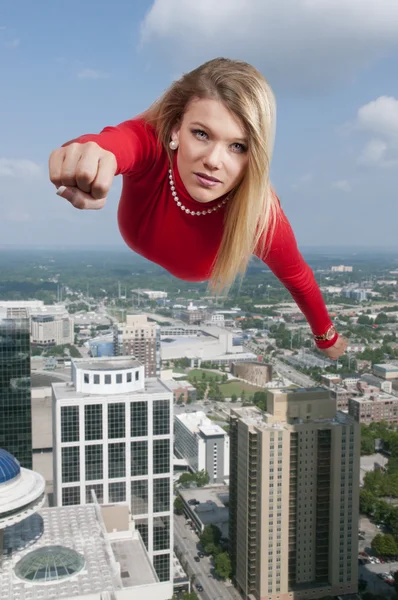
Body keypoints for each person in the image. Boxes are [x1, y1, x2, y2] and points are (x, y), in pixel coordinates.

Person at [49, 57, 347, 359]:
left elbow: (298, 277)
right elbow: (111, 144)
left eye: (238, 146)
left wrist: (326, 337)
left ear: (252, 156)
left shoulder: (260, 216)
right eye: (201, 134)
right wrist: (86, 160)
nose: (214, 160)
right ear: (177, 130)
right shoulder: (152, 143)